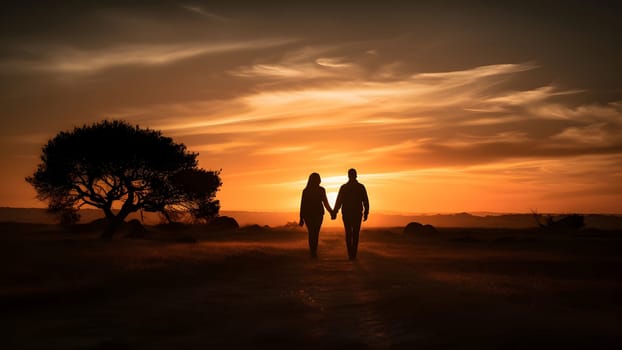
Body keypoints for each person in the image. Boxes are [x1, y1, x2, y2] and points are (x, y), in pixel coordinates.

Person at [332, 168, 369, 260]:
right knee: (355, 234)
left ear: (348, 176)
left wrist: (335, 212)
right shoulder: (360, 187)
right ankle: (353, 254)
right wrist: (366, 212)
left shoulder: (344, 187)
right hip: (355, 214)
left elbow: (339, 201)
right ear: (356, 175)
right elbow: (366, 201)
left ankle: (351, 254)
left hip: (348, 214)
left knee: (349, 233)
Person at [299, 172, 333, 258]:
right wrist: (331, 212)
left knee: (311, 233)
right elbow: (325, 203)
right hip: (317, 214)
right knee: (315, 233)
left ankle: (312, 251)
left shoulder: (306, 190)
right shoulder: (321, 190)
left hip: (309, 215)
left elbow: (303, 205)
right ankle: (313, 251)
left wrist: (301, 218)